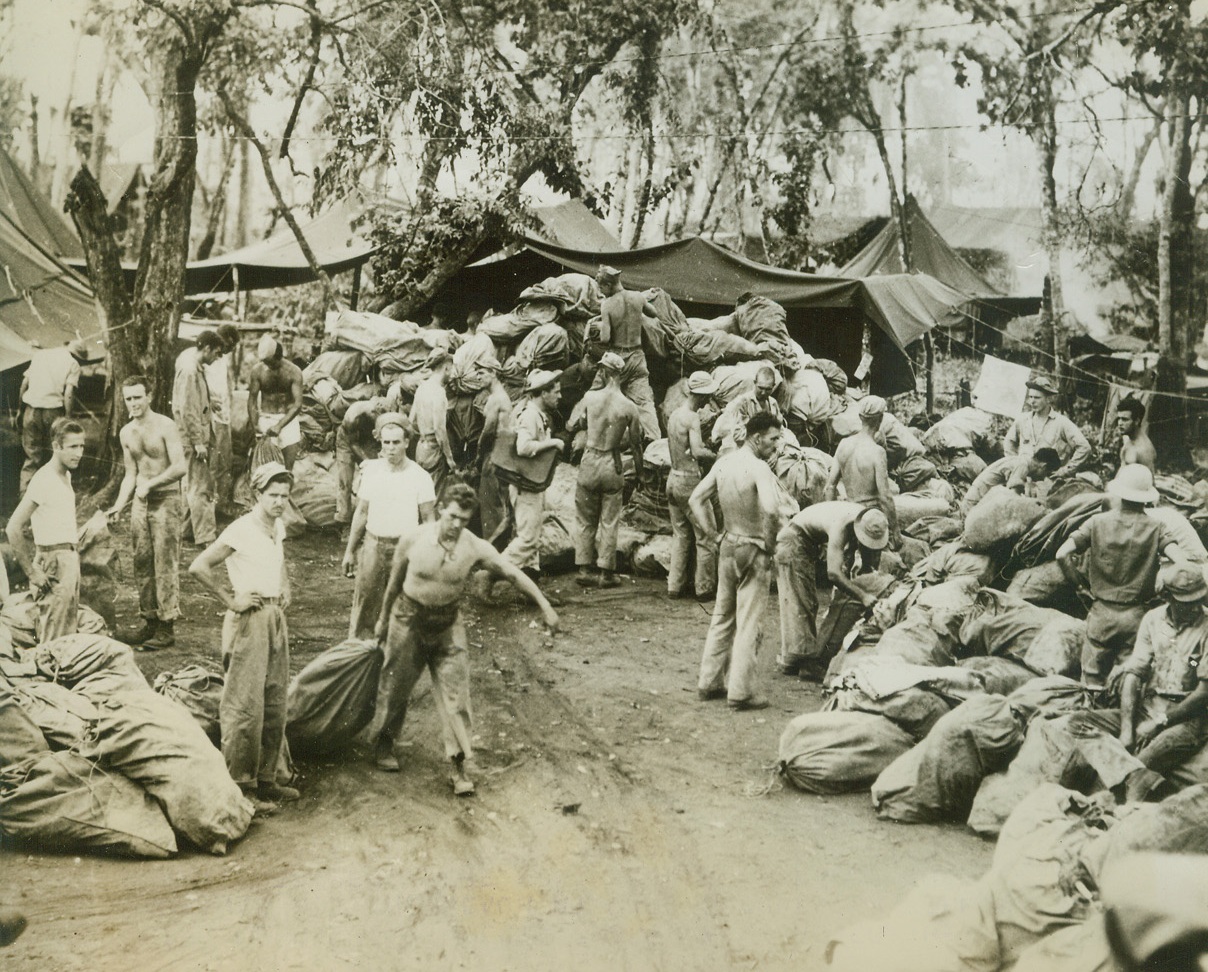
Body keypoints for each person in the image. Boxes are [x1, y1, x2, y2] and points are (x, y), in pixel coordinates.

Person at [370, 483, 560, 792]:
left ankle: (458, 766)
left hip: (447, 622)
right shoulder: (413, 539)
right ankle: (384, 743)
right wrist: (381, 619)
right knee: (396, 685)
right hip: (408, 618)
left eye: (464, 518)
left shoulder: (474, 546)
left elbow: (512, 573)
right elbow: (393, 583)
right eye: (453, 516)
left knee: (457, 695)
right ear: (441, 509)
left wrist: (545, 605)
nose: (457, 524)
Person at [189, 462, 299, 810]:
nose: (280, 502)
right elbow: (199, 567)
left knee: (275, 700)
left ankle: (267, 779)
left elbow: (278, 559)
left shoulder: (276, 526)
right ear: (257, 494)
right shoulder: (240, 529)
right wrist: (230, 600)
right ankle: (242, 787)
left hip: (274, 617)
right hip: (248, 619)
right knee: (244, 705)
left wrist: (284, 584)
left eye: (284, 495)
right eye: (273, 495)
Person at [1056, 463, 1185, 689]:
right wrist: (1161, 583)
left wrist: (1079, 585)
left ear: (1119, 492)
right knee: (1129, 681)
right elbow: (1182, 563)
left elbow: (1061, 554)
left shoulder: (1096, 522)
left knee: (1092, 683)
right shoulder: (1157, 527)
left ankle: (1091, 718)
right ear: (1146, 496)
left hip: (1101, 614)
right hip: (1136, 616)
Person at [689, 411, 785, 711]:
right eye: (773, 439)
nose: (777, 444)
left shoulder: (724, 463)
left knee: (722, 615)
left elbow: (695, 500)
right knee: (748, 622)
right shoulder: (758, 468)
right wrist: (769, 546)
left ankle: (709, 681)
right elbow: (770, 509)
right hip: (753, 546)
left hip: (728, 544)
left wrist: (712, 534)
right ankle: (741, 691)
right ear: (756, 438)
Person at [105, 376, 188, 649]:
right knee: (142, 561)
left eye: (138, 397)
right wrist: (119, 504)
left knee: (165, 563)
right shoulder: (126, 432)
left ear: (149, 396)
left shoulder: (166, 425)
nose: (133, 403)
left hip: (166, 499)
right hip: (141, 503)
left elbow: (179, 467)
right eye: (128, 398)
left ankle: (167, 626)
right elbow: (131, 473)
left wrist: (151, 484)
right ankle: (149, 621)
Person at [342, 413, 436, 639]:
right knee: (366, 604)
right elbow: (362, 513)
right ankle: (360, 656)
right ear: (380, 443)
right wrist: (349, 551)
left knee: (403, 607)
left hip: (405, 550)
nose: (391, 448)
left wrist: (429, 557)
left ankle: (395, 659)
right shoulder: (373, 472)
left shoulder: (420, 477)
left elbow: (429, 520)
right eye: (386, 443)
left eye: (396, 442)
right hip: (374, 547)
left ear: (406, 442)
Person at [774, 501, 890, 682]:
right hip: (793, 540)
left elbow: (867, 565)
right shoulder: (842, 525)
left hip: (808, 542)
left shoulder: (867, 520)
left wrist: (866, 582)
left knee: (806, 603)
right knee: (801, 603)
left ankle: (799, 658)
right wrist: (862, 595)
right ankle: (797, 662)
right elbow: (833, 573)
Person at [569, 352, 644, 589]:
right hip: (612, 462)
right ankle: (605, 572)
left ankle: (583, 567)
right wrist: (640, 473)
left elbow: (574, 424)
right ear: (620, 374)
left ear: (604, 371)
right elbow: (636, 444)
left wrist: (587, 423)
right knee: (610, 520)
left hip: (590, 458)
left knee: (585, 517)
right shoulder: (629, 407)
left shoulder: (590, 398)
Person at [6, 418, 85, 640]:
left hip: (69, 558)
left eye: (81, 446)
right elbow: (13, 527)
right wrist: (31, 572)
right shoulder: (44, 479)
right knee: (54, 635)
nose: (79, 453)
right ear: (56, 446)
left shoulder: (66, 475)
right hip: (55, 562)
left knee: (67, 632)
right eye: (72, 447)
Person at [500, 369, 564, 577]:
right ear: (543, 393)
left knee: (532, 538)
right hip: (525, 487)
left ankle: (531, 585)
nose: (560, 396)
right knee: (527, 539)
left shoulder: (538, 415)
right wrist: (553, 442)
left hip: (532, 483)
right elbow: (523, 447)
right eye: (556, 391)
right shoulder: (529, 416)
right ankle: (491, 573)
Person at [592, 265, 660, 442]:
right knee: (644, 402)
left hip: (617, 358)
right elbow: (654, 313)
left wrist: (601, 326)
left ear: (608, 284)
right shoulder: (637, 296)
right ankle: (654, 439)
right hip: (637, 357)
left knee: (596, 394)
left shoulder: (607, 305)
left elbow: (605, 339)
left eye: (601, 287)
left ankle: (582, 433)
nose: (601, 291)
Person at [666, 371, 718, 600]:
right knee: (707, 534)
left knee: (681, 534)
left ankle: (674, 586)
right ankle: (704, 589)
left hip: (673, 478)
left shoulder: (674, 414)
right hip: (689, 480)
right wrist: (714, 454)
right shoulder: (692, 418)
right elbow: (697, 451)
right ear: (702, 395)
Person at [826, 395, 900, 547]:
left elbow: (829, 486)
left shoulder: (844, 444)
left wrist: (832, 522)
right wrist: (896, 531)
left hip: (848, 513)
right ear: (880, 420)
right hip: (870, 518)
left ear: (860, 417)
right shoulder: (877, 452)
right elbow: (885, 496)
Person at [173, 329, 224, 546]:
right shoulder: (190, 370)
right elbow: (187, 409)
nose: (217, 357)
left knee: (191, 484)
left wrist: (208, 403)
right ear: (207, 348)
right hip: (193, 436)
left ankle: (186, 530)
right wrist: (198, 442)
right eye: (217, 352)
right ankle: (206, 536)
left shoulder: (191, 361)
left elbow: (192, 399)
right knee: (201, 486)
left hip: (196, 432)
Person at [18, 339, 88, 492]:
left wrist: (20, 410)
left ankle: (25, 500)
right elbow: (68, 393)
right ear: (78, 356)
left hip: (31, 410)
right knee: (54, 457)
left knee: (32, 457)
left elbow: (24, 384)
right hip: (53, 411)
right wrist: (68, 418)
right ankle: (50, 497)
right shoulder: (73, 363)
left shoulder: (40, 355)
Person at [1003, 373, 1091, 478]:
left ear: (1048, 399)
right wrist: (1015, 465)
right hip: (1023, 477)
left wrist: (1065, 471)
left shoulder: (1061, 423)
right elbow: (1009, 442)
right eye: (1030, 397)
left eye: (1037, 398)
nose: (1032, 401)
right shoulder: (1022, 420)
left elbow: (1084, 447)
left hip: (1048, 479)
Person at [248, 335, 304, 469]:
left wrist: (279, 425)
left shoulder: (294, 372)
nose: (268, 365)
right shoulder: (257, 371)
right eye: (265, 362)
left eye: (270, 362)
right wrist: (255, 425)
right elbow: (252, 400)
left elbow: (297, 404)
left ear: (279, 357)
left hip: (287, 421)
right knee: (266, 466)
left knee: (288, 465)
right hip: (266, 418)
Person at [409, 347, 457, 499]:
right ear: (446, 368)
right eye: (452, 369)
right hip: (434, 451)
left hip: (421, 448)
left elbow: (411, 420)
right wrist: (449, 458)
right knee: (433, 497)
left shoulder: (422, 388)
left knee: (421, 495)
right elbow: (439, 430)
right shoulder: (439, 392)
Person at [334, 396, 387, 530]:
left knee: (373, 478)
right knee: (345, 481)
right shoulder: (352, 417)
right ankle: (343, 521)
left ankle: (370, 519)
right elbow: (353, 444)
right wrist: (368, 462)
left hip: (367, 439)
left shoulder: (383, 413)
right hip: (347, 441)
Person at [960, 447, 1062, 515]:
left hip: (974, 502)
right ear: (1043, 466)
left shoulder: (1022, 461)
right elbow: (1013, 488)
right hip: (973, 505)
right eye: (1047, 473)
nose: (1044, 478)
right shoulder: (1023, 465)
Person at [476, 361, 513, 544]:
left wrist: (478, 455)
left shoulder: (495, 399)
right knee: (500, 504)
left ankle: (492, 552)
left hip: (494, 455)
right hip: (503, 455)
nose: (478, 377)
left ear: (493, 373)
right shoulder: (502, 397)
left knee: (490, 505)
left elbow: (488, 431)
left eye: (481, 372)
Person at [207, 324, 241, 516]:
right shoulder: (206, 358)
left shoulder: (223, 359)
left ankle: (220, 504)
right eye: (230, 345)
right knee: (212, 463)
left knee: (225, 461)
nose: (230, 350)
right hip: (210, 417)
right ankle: (209, 507)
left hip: (224, 417)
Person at [713, 366, 784, 454]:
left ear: (773, 386)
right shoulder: (742, 403)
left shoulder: (773, 404)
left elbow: (780, 430)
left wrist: (776, 452)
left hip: (768, 448)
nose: (763, 393)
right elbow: (736, 435)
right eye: (760, 388)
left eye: (768, 389)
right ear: (755, 383)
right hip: (742, 448)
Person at [1116, 396, 1156, 473]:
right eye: (1119, 418)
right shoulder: (1129, 438)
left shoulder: (1144, 450)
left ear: (1137, 421)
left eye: (1125, 419)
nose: (1120, 423)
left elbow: (1149, 481)